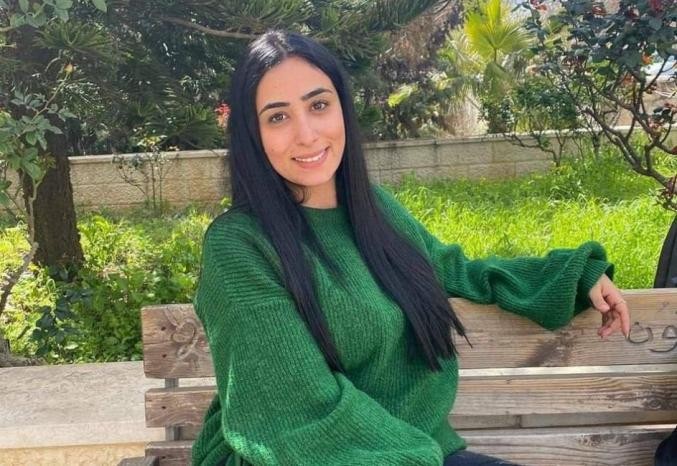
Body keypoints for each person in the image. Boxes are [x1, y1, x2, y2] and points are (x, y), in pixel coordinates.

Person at [191, 30, 631, 466]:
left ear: (343, 109)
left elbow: (453, 270)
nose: (306, 134)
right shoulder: (239, 246)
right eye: (278, 117)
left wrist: (572, 276)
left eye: (319, 105)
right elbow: (292, 410)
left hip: (414, 450)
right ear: (252, 134)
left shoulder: (374, 210)